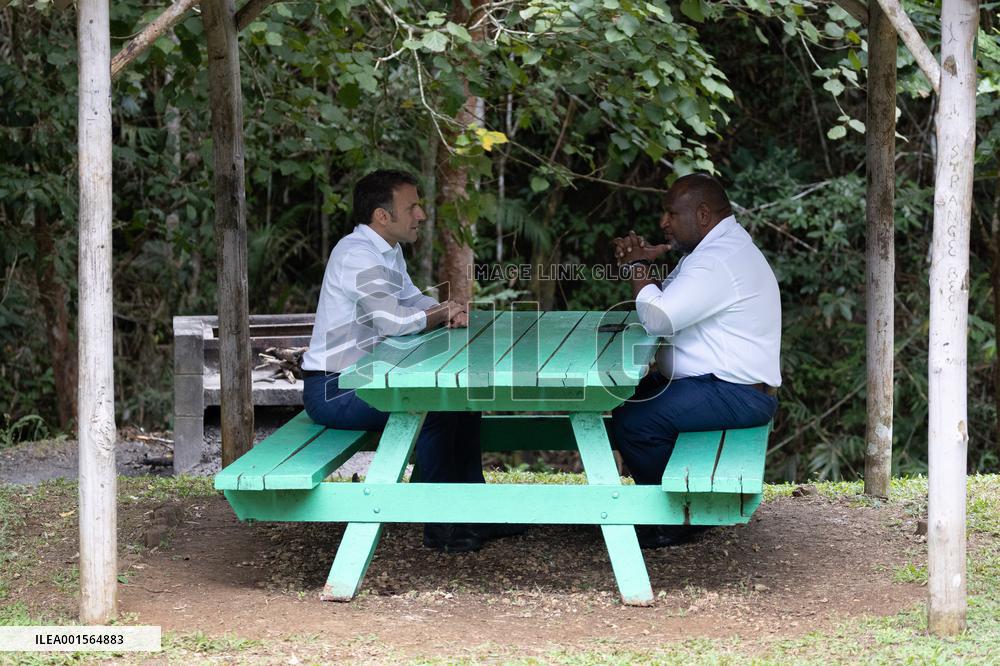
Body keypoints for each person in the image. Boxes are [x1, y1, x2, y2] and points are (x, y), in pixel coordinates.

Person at [300, 169, 517, 553]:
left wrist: (446, 310)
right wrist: (440, 313)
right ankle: (440, 523)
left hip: (369, 379)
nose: (421, 214)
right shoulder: (357, 256)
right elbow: (393, 321)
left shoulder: (387, 250)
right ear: (382, 216)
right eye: (412, 207)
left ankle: (475, 510)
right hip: (335, 388)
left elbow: (412, 299)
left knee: (463, 400)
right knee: (434, 408)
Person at [611, 173, 781, 548]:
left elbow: (658, 318)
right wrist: (647, 263)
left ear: (702, 215)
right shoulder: (715, 251)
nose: (663, 222)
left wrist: (637, 267)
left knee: (635, 423)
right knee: (626, 399)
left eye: (671, 214)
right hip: (725, 386)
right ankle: (665, 506)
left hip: (736, 394)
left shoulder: (716, 261)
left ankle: (677, 517)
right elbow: (668, 298)